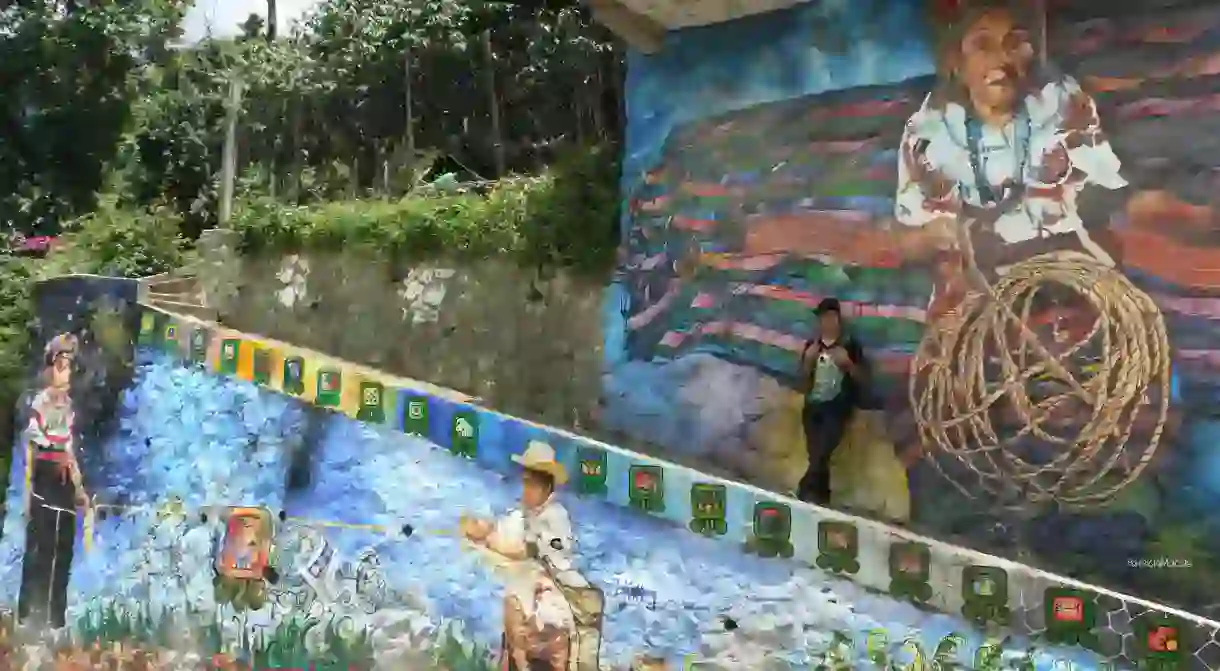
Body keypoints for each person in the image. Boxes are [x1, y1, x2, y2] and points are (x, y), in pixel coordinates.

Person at [893, 0, 1127, 320]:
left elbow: (1103, 195)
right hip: (980, 299)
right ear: (956, 62)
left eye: (1015, 43)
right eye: (983, 45)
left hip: (1066, 285)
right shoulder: (929, 134)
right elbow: (911, 240)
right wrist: (947, 235)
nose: (1002, 59)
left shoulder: (1062, 104)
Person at [461, 440, 575, 671]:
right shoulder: (522, 515)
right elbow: (500, 530)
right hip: (522, 614)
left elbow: (527, 550)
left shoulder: (556, 518)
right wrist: (480, 529)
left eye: (530, 484)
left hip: (547, 618)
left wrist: (490, 543)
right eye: (524, 483)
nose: (525, 490)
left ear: (545, 487)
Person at [19, 333, 87, 629]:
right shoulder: (42, 401)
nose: (66, 373)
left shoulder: (69, 406)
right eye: (61, 366)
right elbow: (33, 434)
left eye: (69, 367)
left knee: (64, 548)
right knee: (41, 546)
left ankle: (56, 619)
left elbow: (70, 446)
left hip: (63, 483)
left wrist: (79, 486)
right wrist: (51, 446)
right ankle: (28, 614)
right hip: (45, 480)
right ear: (50, 368)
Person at [798, 298, 866, 505]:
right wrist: (808, 361)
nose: (826, 322)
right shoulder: (812, 345)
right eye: (822, 318)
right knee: (818, 455)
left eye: (830, 317)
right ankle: (821, 498)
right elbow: (802, 378)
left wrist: (847, 364)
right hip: (813, 405)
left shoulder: (851, 346)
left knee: (821, 452)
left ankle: (804, 491)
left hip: (836, 408)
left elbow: (863, 379)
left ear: (838, 320)